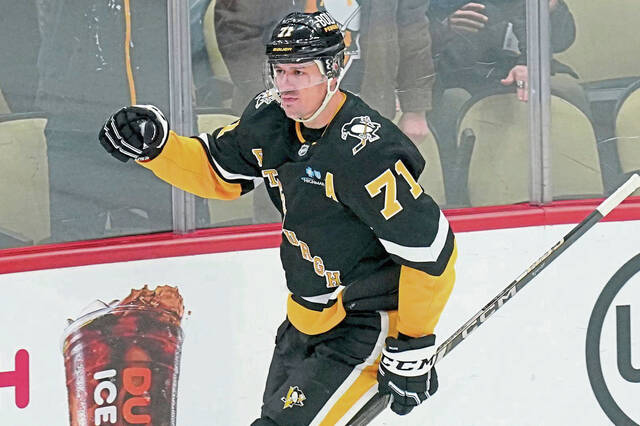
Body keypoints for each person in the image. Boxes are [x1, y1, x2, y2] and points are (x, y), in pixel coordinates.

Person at [99, 11, 457, 425]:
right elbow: (218, 170)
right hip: (304, 320)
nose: (285, 84)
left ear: (334, 70)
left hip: (365, 325)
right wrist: (158, 149)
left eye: (300, 72)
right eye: (280, 71)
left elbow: (431, 251)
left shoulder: (365, 151)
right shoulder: (270, 118)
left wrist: (413, 341)